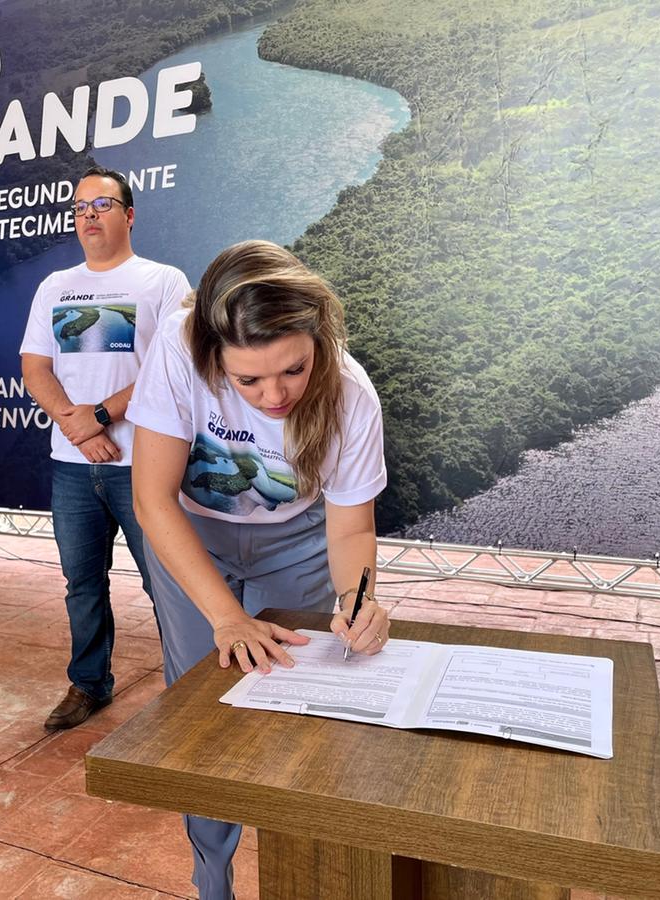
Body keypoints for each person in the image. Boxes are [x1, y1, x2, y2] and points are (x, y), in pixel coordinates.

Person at [127, 239, 391, 900]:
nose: (274, 395)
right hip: (193, 533)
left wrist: (357, 603)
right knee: (203, 712)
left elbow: (351, 526)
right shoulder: (176, 351)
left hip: (297, 540)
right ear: (214, 357)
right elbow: (152, 499)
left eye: (294, 371)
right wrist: (226, 616)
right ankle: (211, 880)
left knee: (295, 703)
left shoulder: (352, 396)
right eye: (248, 381)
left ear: (319, 340)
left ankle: (297, 870)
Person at [20, 166, 190, 730]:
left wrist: (96, 417)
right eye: (78, 207)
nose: (88, 215)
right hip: (72, 467)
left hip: (145, 465)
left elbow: (172, 369)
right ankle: (89, 683)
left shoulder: (164, 282)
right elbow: (35, 367)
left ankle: (189, 683)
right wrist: (75, 426)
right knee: (82, 582)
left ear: (129, 214)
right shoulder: (54, 287)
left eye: (102, 204)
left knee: (166, 578)